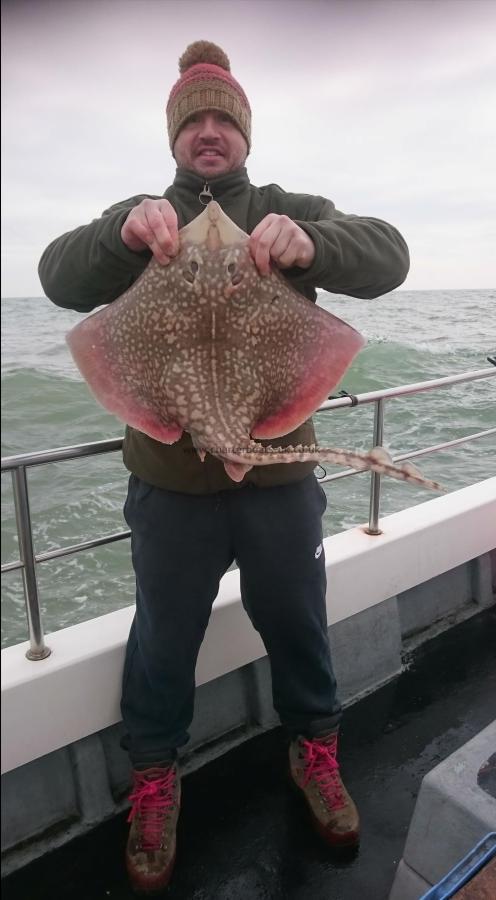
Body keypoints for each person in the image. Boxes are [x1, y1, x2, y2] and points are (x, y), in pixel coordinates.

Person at [39, 40, 409, 896]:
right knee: (163, 639)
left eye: (223, 119)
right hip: (170, 489)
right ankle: (155, 780)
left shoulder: (287, 209)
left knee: (299, 623)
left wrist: (308, 244)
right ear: (174, 137)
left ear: (244, 133)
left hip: (277, 476)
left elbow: (387, 255)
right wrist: (117, 235)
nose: (209, 132)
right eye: (193, 120)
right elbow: (58, 277)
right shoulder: (140, 221)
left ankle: (315, 748)